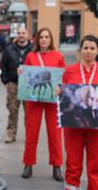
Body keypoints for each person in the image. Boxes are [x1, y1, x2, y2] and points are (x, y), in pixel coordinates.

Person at [21, 27, 65, 181]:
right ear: (37, 39)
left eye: (47, 37)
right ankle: (28, 164)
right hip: (34, 100)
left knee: (55, 134)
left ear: (50, 39)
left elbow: (62, 77)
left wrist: (61, 87)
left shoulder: (58, 56)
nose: (44, 39)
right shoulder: (31, 56)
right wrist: (21, 72)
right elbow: (26, 75)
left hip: (53, 100)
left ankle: (57, 166)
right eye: (41, 37)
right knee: (31, 132)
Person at [61, 35, 98, 190]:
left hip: (95, 127)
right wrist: (59, 92)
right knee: (73, 163)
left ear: (97, 51)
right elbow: (64, 94)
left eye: (92, 48)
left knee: (95, 163)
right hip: (73, 125)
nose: (88, 52)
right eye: (86, 48)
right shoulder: (70, 71)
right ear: (80, 50)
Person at [0, 27, 33, 143]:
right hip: (13, 84)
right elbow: (3, 65)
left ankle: (30, 135)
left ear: (27, 35)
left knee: (29, 112)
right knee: (12, 111)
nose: (21, 35)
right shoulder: (9, 49)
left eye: (23, 33)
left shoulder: (33, 49)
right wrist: (6, 81)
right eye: (19, 33)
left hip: (29, 85)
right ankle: (11, 134)